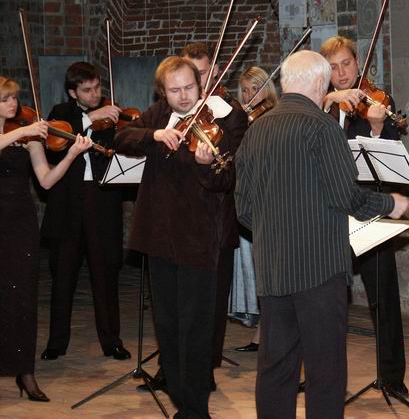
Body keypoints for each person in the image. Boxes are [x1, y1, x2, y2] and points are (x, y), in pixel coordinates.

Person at [235, 50, 409, 419]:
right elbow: (345, 196)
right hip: (319, 269)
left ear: (286, 83)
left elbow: (244, 209)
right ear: (320, 84)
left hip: (272, 267)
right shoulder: (322, 127)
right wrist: (390, 204)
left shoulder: (255, 131)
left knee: (275, 368)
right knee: (325, 370)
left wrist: (277, 233)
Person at [114, 56, 238, 418]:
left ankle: (196, 409)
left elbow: (227, 178)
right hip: (157, 235)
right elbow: (122, 135)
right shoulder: (156, 115)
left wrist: (205, 167)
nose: (184, 97)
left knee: (196, 326)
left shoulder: (222, 118)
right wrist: (154, 134)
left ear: (200, 86)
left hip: (199, 237)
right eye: (174, 90)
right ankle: (180, 399)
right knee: (167, 325)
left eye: (189, 88)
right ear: (162, 91)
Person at [320, 35, 409, 398]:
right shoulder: (319, 106)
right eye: (334, 67)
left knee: (383, 297)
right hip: (327, 216)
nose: (342, 73)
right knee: (323, 301)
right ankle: (323, 375)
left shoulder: (376, 103)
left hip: (368, 212)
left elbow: (390, 160)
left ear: (359, 65)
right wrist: (328, 100)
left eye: (347, 64)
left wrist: (374, 127)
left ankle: (392, 377)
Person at [0, 76, 91, 402]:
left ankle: (26, 373)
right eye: (6, 99)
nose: (14, 105)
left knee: (22, 299)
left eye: (15, 98)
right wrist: (21, 132)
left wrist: (71, 155)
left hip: (19, 222)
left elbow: (47, 181)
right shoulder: (22, 132)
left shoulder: (30, 137)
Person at [40, 62, 129, 361]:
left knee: (105, 275)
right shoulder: (60, 114)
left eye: (97, 89)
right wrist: (90, 119)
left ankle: (112, 341)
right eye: (87, 91)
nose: (95, 95)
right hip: (68, 203)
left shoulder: (113, 114)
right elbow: (54, 142)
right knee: (63, 274)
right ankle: (56, 342)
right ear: (72, 92)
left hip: (102, 200)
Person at [181, 42, 249, 383]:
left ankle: (206, 367)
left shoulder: (231, 113)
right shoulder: (173, 111)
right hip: (180, 219)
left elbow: (232, 170)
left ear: (216, 70)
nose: (195, 82)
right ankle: (175, 364)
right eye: (189, 76)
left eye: (203, 73)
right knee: (182, 299)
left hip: (217, 219)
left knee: (213, 297)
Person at [232, 66, 279, 352]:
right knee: (257, 274)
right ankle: (262, 333)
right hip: (249, 202)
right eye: (245, 90)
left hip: (269, 203)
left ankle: (268, 334)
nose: (250, 95)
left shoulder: (273, 116)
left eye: (255, 89)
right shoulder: (242, 119)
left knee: (267, 274)